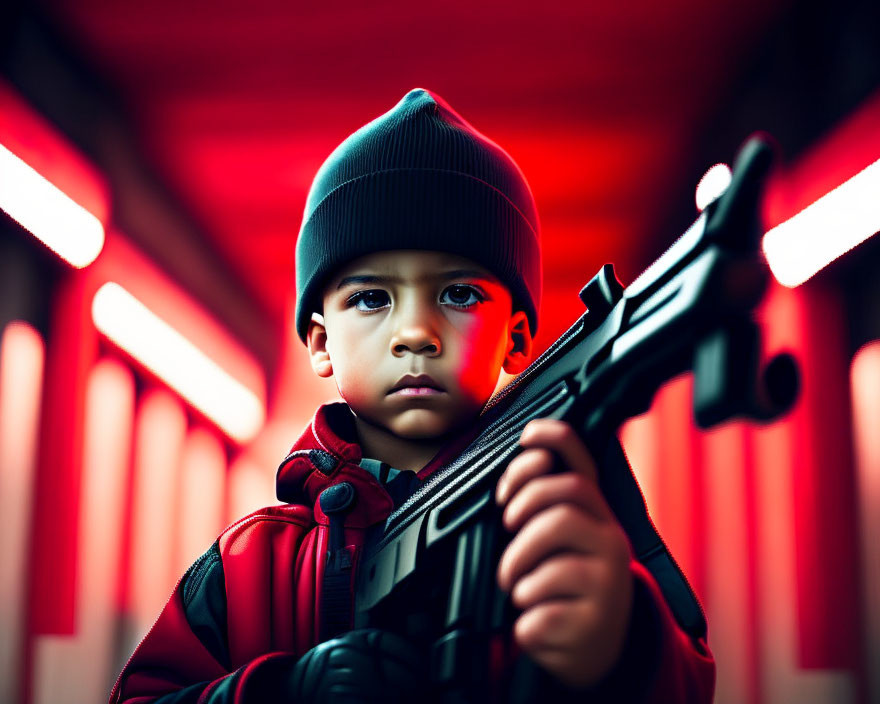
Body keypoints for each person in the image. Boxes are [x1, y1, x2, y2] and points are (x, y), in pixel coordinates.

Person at [110, 88, 714, 703]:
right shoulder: (250, 565)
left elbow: (690, 681)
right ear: (321, 343)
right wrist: (284, 691)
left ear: (517, 337)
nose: (416, 334)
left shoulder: (561, 506)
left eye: (459, 295)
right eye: (371, 298)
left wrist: (622, 639)